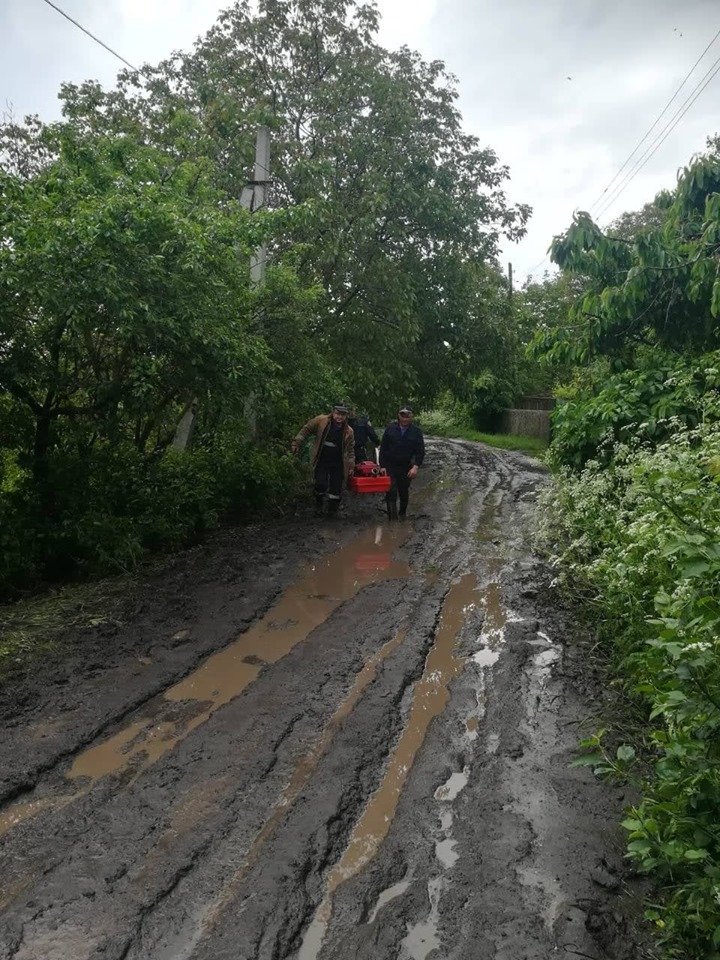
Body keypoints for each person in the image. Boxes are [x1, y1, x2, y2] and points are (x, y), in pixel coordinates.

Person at [291, 404, 355, 516]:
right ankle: (319, 505)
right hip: (322, 458)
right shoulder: (321, 421)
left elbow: (350, 450)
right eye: (337, 414)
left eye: (342, 415)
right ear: (333, 413)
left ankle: (332, 511)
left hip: (338, 461)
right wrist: (297, 442)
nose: (339, 417)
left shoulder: (349, 431)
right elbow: (306, 429)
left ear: (346, 416)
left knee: (336, 487)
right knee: (320, 483)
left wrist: (351, 465)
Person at [379, 405, 425, 520]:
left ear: (411, 417)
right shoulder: (390, 428)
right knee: (391, 491)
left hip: (406, 467)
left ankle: (402, 514)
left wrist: (415, 467)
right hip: (390, 465)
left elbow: (420, 451)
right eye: (402, 415)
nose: (405, 418)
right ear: (399, 416)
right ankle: (392, 520)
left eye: (407, 416)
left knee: (403, 491)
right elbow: (383, 448)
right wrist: (382, 466)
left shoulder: (416, 432)